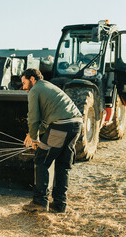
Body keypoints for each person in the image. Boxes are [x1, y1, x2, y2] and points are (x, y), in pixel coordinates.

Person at [21, 68, 82, 213]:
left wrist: (35, 139)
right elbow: (48, 121)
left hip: (61, 127)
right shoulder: (48, 87)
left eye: (24, 83)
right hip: (76, 125)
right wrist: (31, 135)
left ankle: (39, 202)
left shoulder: (35, 90)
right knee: (62, 164)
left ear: (32, 79)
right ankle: (60, 204)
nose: (23, 87)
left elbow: (33, 118)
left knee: (41, 160)